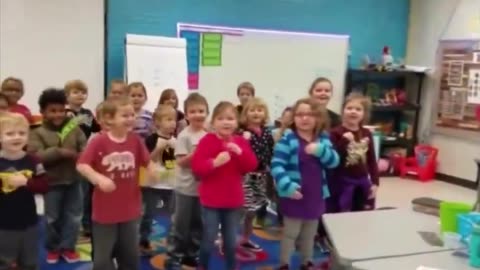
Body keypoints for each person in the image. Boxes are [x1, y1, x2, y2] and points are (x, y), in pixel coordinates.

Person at [76, 98, 153, 270]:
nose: (130, 118)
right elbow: (82, 165)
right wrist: (99, 178)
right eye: (124, 115)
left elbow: (147, 162)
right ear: (110, 119)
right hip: (105, 211)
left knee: (130, 256)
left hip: (130, 209)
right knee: (103, 259)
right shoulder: (99, 141)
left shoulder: (135, 140)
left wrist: (153, 172)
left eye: (132, 114)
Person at [271, 98, 339, 270]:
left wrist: (321, 150)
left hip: (315, 196)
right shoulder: (288, 139)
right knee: (290, 234)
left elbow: (334, 162)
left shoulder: (322, 139)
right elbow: (277, 165)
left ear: (318, 117)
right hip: (294, 195)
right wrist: (287, 185)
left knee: (310, 234)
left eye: (309, 114)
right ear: (294, 118)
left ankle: (306, 262)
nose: (304, 118)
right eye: (300, 114)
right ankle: (284, 263)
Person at [191, 101, 257, 270]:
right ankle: (202, 265)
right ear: (213, 122)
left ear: (236, 122)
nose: (226, 122)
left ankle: (231, 266)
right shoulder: (207, 141)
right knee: (209, 238)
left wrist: (240, 153)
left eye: (230, 118)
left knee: (230, 240)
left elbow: (251, 166)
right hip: (211, 200)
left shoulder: (241, 142)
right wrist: (214, 162)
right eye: (221, 118)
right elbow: (197, 168)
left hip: (233, 200)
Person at [28, 88, 87, 264]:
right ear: (43, 112)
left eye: (61, 110)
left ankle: (68, 247)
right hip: (51, 183)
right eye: (52, 111)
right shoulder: (36, 132)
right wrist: (59, 152)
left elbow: (84, 148)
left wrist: (83, 155)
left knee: (74, 216)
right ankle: (53, 248)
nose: (58, 114)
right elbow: (36, 157)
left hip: (74, 180)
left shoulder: (74, 128)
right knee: (52, 218)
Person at [165, 93, 209, 269]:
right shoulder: (184, 136)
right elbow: (181, 162)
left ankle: (192, 254)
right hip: (184, 189)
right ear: (187, 114)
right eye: (193, 111)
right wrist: (197, 153)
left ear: (207, 112)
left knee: (198, 225)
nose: (198, 114)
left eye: (201, 110)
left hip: (202, 190)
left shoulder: (207, 135)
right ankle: (173, 257)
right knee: (180, 226)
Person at [0, 113, 48, 270]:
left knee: (29, 262)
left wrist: (27, 182)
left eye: (22, 133)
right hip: (4, 224)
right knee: (5, 262)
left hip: (29, 222)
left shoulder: (33, 160)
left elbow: (45, 186)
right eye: (10, 133)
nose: (16, 137)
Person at [329, 93, 379, 212]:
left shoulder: (367, 133)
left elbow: (372, 160)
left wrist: (375, 182)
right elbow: (334, 158)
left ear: (364, 114)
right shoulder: (335, 133)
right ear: (343, 111)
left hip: (362, 180)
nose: (353, 112)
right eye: (349, 108)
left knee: (363, 211)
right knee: (342, 211)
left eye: (358, 109)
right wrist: (344, 141)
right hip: (342, 181)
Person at [64, 79, 101, 237]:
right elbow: (63, 132)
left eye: (83, 92)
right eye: (76, 92)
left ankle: (86, 224)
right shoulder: (63, 112)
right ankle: (68, 224)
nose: (80, 95)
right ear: (67, 95)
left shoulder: (87, 113)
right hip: (68, 156)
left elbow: (97, 128)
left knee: (85, 192)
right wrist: (71, 120)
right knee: (70, 192)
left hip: (84, 156)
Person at [237, 97, 274, 249]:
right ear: (246, 114)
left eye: (259, 110)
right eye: (252, 110)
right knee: (241, 208)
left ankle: (245, 238)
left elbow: (271, 151)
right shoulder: (243, 133)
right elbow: (239, 154)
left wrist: (271, 167)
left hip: (261, 175)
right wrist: (244, 140)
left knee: (253, 210)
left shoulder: (266, 132)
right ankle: (227, 237)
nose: (256, 113)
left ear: (264, 114)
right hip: (246, 176)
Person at [141, 104, 177, 255]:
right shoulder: (152, 139)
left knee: (174, 215)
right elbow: (147, 160)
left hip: (169, 184)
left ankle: (172, 242)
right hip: (152, 184)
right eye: (168, 119)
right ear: (158, 122)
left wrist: (172, 150)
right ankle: (143, 240)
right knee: (148, 213)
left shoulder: (175, 140)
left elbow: (170, 164)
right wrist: (160, 148)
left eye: (174, 119)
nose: (172, 123)